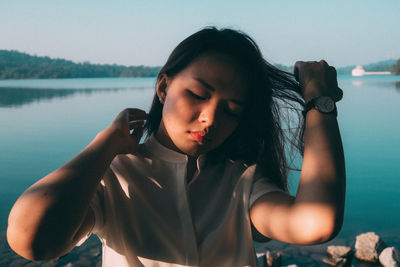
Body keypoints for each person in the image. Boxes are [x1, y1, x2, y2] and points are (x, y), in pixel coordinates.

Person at [7, 27, 345, 267]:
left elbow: (316, 222)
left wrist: (319, 101)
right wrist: (105, 143)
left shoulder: (242, 183)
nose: (210, 118)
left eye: (231, 110)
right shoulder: (115, 176)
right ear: (164, 86)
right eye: (198, 94)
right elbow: (30, 239)